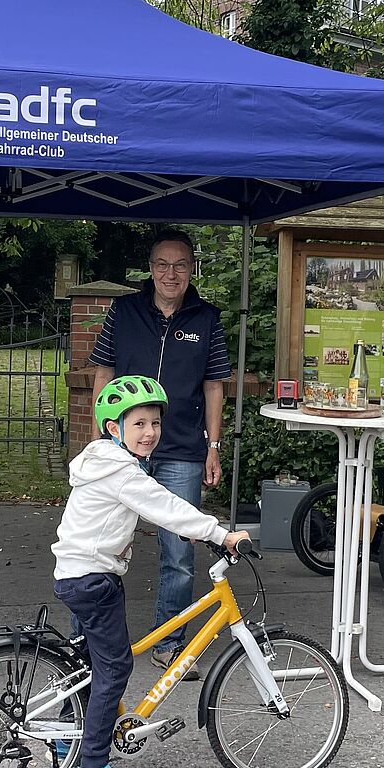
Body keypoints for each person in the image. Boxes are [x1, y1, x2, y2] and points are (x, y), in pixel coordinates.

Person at [52, 375, 247, 768]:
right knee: (115, 668)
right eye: (138, 424)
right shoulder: (120, 471)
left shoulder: (106, 462)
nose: (150, 433)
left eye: (155, 423)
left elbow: (161, 507)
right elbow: (164, 505)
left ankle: (72, 737)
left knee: (89, 664)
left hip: (82, 575)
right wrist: (220, 533)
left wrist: (194, 528)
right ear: (113, 428)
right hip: (91, 580)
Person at [89, 229, 232, 677]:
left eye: (181, 265)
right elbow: (103, 373)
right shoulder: (123, 310)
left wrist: (214, 446)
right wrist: (101, 438)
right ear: (150, 269)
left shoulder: (207, 317)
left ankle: (169, 642)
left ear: (192, 269)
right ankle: (86, 640)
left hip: (183, 447)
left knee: (179, 551)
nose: (171, 274)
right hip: (122, 445)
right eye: (163, 265)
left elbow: (215, 387)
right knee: (102, 545)